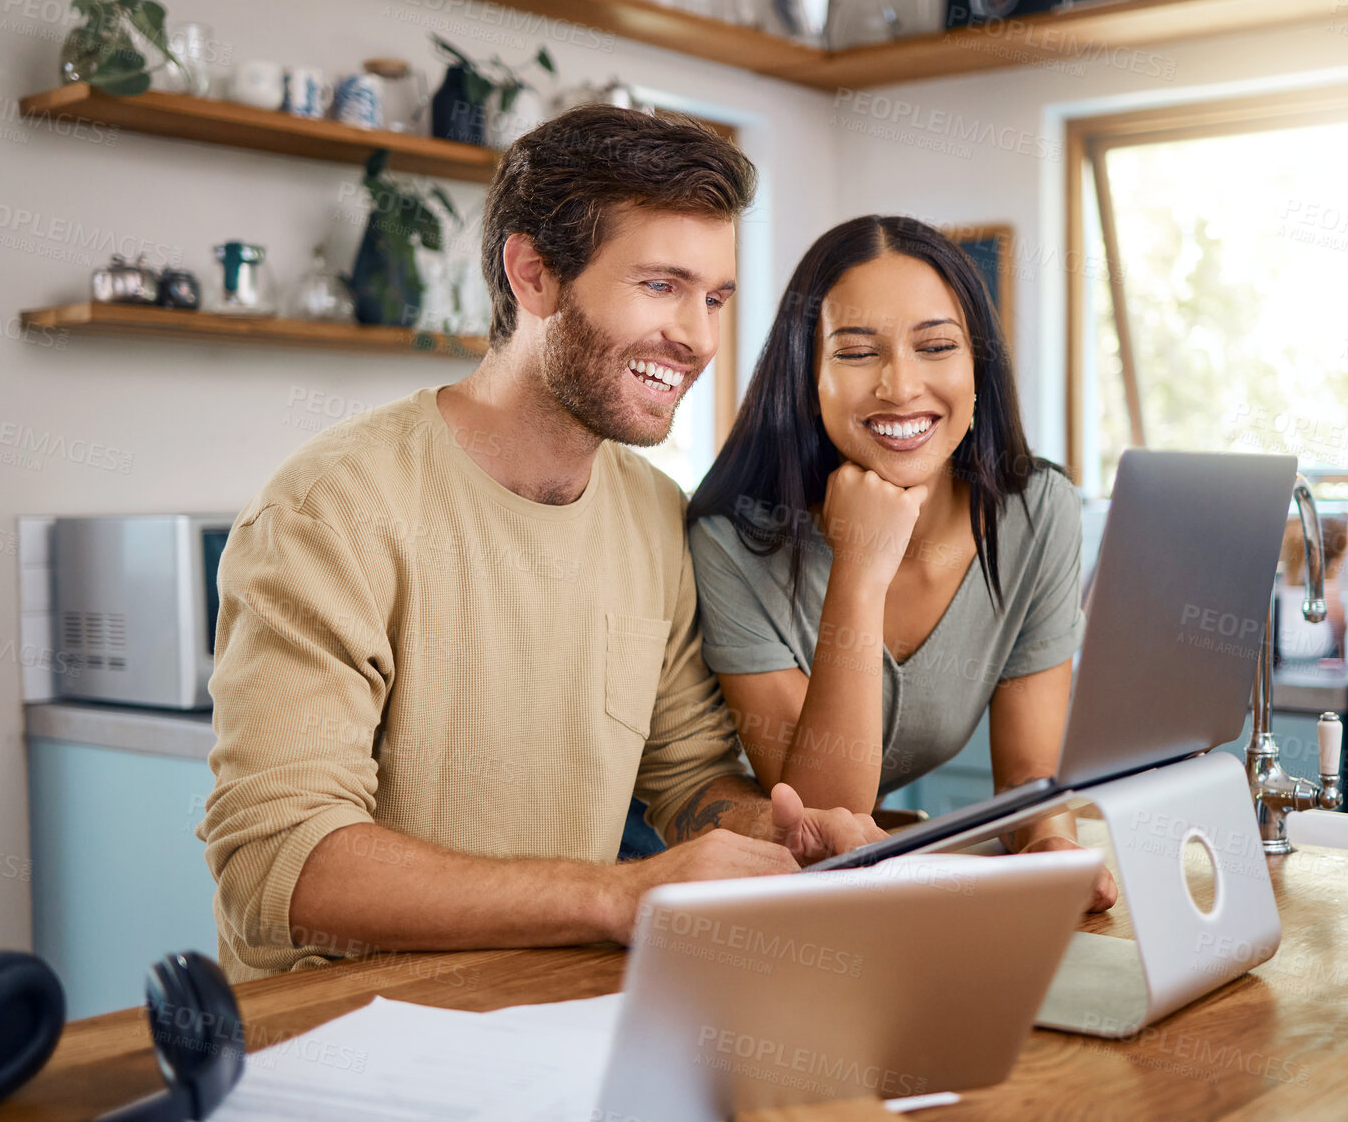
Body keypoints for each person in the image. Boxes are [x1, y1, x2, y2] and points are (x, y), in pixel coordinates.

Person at [199, 107, 883, 982]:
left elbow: (688, 778)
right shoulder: (333, 508)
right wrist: (615, 895)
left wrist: (773, 832)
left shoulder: (652, 515)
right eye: (660, 286)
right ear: (534, 275)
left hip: (550, 1011)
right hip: (342, 1039)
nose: (699, 338)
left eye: (713, 298)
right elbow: (278, 862)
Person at [687, 215, 1118, 911]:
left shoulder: (1035, 513)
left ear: (977, 366)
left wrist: (1049, 846)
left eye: (936, 346)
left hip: (848, 883)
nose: (900, 385)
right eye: (857, 354)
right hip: (701, 878)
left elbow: (1029, 774)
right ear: (809, 378)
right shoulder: (733, 543)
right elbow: (821, 822)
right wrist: (859, 571)